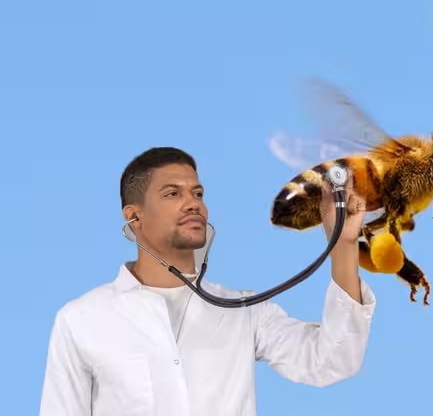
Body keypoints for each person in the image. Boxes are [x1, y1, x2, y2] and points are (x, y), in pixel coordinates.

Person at [38, 146, 376, 416]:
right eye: (172, 194)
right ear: (134, 215)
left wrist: (344, 244)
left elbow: (333, 361)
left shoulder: (245, 311)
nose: (193, 204)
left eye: (197, 193)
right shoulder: (82, 320)